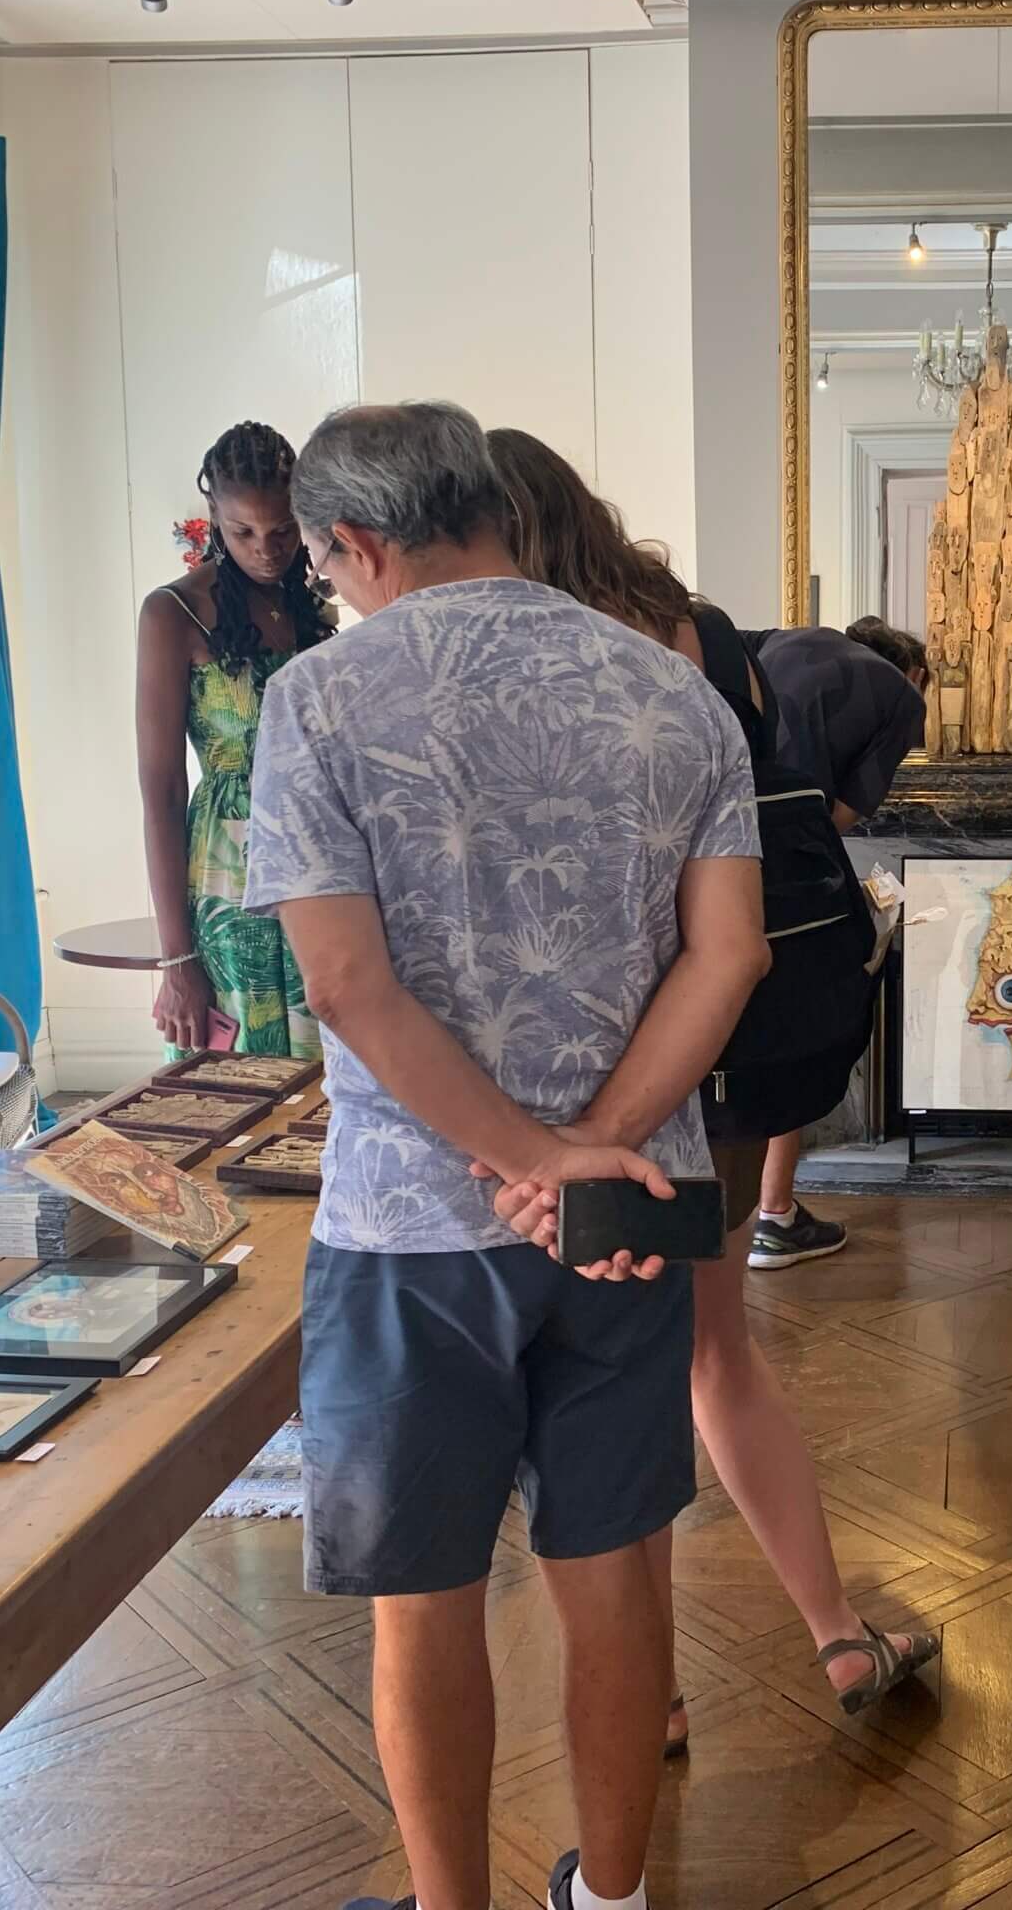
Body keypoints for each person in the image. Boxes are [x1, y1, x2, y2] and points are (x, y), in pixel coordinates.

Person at [245, 402, 771, 1910]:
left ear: (356, 544)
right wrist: (581, 1157)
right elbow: (728, 955)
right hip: (630, 1208)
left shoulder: (319, 701)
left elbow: (347, 985)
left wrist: (520, 1158)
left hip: (410, 1226)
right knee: (613, 1571)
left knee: (423, 1601)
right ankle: (612, 1898)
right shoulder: (671, 689)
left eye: (325, 568)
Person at [481, 427, 940, 1757]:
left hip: (601, 1073)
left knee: (605, 1386)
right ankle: (836, 1630)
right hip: (730, 1060)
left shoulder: (535, 669)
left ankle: (653, 1693)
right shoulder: (706, 636)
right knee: (714, 1357)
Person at [135, 421, 336, 1057]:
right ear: (214, 520)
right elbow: (162, 791)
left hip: (321, 855)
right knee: (235, 1073)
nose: (266, 550)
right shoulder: (171, 613)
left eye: (283, 531)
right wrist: (177, 960)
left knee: (333, 1061)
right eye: (242, 532)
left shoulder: (314, 607)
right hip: (228, 870)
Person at [736, 619, 927, 1267]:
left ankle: (728, 1213)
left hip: (713, 851)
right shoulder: (902, 695)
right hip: (788, 867)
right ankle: (774, 1215)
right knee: (798, 1025)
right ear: (915, 671)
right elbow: (837, 815)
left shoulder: (781, 639)